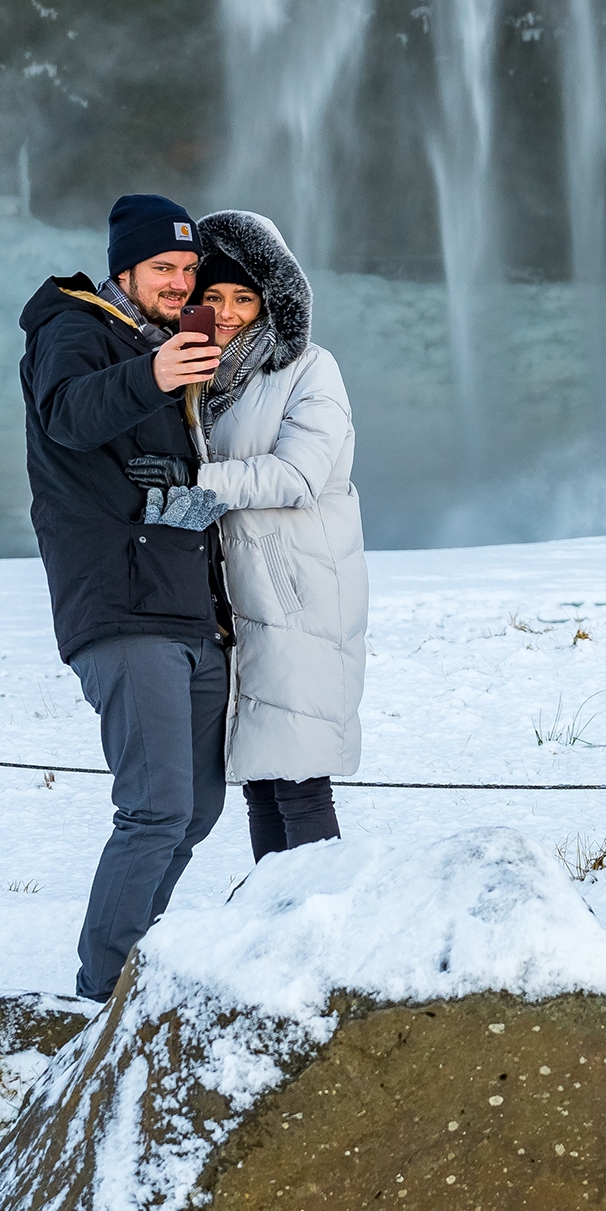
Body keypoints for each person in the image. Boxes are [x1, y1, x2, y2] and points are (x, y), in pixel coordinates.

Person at [16, 192, 234, 1002]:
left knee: (198, 809)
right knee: (153, 808)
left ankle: (137, 964)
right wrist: (152, 373)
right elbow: (70, 416)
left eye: (187, 268)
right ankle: (103, 991)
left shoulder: (162, 341)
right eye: (163, 268)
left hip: (184, 608)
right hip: (119, 604)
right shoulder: (72, 330)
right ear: (123, 270)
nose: (179, 283)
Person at [184, 210, 367, 858]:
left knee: (300, 781)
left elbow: (301, 474)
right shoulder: (203, 379)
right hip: (240, 604)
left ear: (272, 301)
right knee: (260, 782)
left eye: (243, 297)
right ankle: (276, 923)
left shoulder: (311, 369)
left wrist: (199, 483)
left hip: (300, 598)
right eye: (213, 297)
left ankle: (320, 932)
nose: (228, 312)